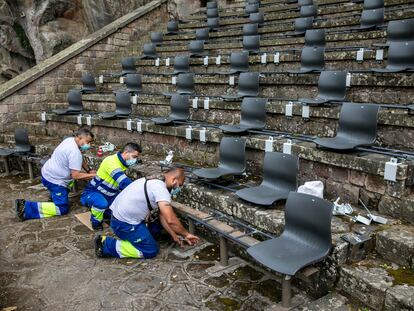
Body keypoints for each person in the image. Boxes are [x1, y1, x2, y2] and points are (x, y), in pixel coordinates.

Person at [94, 167, 200, 259]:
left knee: (156, 228)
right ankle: (106, 244)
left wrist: (174, 235)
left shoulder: (155, 180)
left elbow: (162, 215)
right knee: (150, 250)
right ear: (174, 180)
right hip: (123, 224)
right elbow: (171, 220)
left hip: (120, 218)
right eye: (179, 185)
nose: (178, 188)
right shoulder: (161, 189)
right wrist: (187, 234)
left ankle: (139, 237)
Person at [14, 127, 96, 221]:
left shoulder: (69, 140)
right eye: (87, 142)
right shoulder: (74, 152)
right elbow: (76, 175)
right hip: (55, 181)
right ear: (79, 137)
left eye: (90, 142)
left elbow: (80, 158)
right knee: (62, 209)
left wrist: (88, 170)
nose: (89, 145)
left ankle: (54, 196)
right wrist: (93, 175)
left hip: (47, 172)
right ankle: (26, 207)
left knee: (65, 189)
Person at [80, 142, 142, 230]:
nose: (135, 160)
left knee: (120, 211)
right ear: (126, 153)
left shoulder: (123, 164)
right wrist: (141, 191)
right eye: (134, 156)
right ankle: (95, 222)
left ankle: (104, 211)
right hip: (93, 192)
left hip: (110, 195)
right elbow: (124, 182)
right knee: (101, 203)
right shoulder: (111, 161)